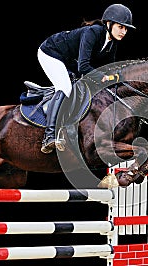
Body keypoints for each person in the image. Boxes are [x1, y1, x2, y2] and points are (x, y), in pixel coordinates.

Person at [37, 3, 136, 154]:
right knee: (65, 87)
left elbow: (109, 69)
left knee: (83, 87)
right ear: (109, 24)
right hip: (51, 53)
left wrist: (122, 77)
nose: (124, 31)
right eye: (121, 27)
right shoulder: (93, 32)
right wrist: (105, 77)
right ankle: (49, 136)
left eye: (126, 28)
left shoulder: (112, 43)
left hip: (68, 60)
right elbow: (84, 67)